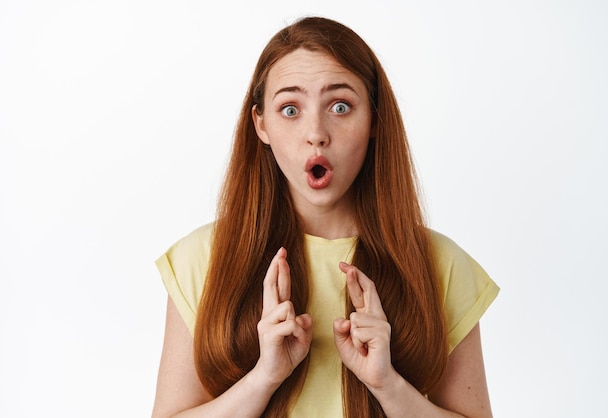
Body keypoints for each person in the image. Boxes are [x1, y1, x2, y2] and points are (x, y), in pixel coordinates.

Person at [152, 16, 499, 418]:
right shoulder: (202, 258)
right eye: (289, 109)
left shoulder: (441, 264)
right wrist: (262, 378)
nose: (316, 132)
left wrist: (388, 385)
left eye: (340, 106)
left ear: (374, 119)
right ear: (260, 125)